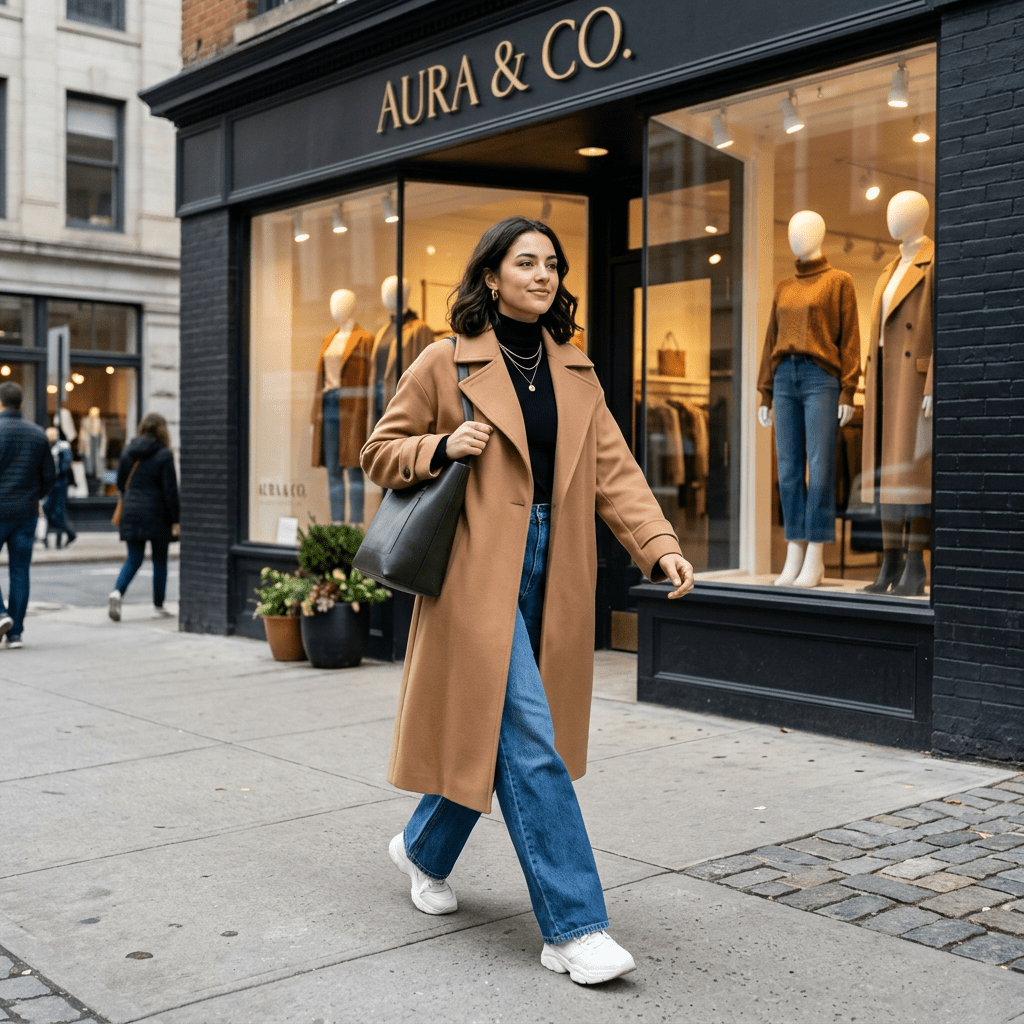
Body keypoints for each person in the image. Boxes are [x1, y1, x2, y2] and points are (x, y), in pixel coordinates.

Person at [361, 217, 694, 985]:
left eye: (553, 264)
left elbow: (615, 472)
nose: (543, 275)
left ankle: (421, 847)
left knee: (499, 730)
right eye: (527, 262)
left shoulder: (575, 370)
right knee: (527, 736)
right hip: (477, 566)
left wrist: (659, 543)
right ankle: (573, 927)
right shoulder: (445, 362)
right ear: (491, 277)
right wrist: (440, 447)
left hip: (556, 563)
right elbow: (379, 449)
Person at [108, 412, 180, 622]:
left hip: (131, 510)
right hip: (157, 513)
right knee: (160, 560)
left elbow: (121, 483)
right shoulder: (164, 454)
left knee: (134, 558)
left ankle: (117, 592)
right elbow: (170, 490)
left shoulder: (128, 451)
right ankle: (157, 606)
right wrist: (176, 518)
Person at [0, 382, 55, 649]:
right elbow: (49, 477)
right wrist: (34, 496)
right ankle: (16, 633)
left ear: (1, 403)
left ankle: (0, 614)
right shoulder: (38, 435)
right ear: (20, 403)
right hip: (26, 512)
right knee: (20, 572)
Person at [43, 426, 76, 549]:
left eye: (53, 434)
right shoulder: (45, 446)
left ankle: (59, 541)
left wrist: (59, 474)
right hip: (49, 484)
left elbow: (66, 465)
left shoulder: (63, 446)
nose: (51, 437)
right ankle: (68, 533)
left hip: (60, 483)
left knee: (58, 512)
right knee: (47, 510)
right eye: (49, 435)